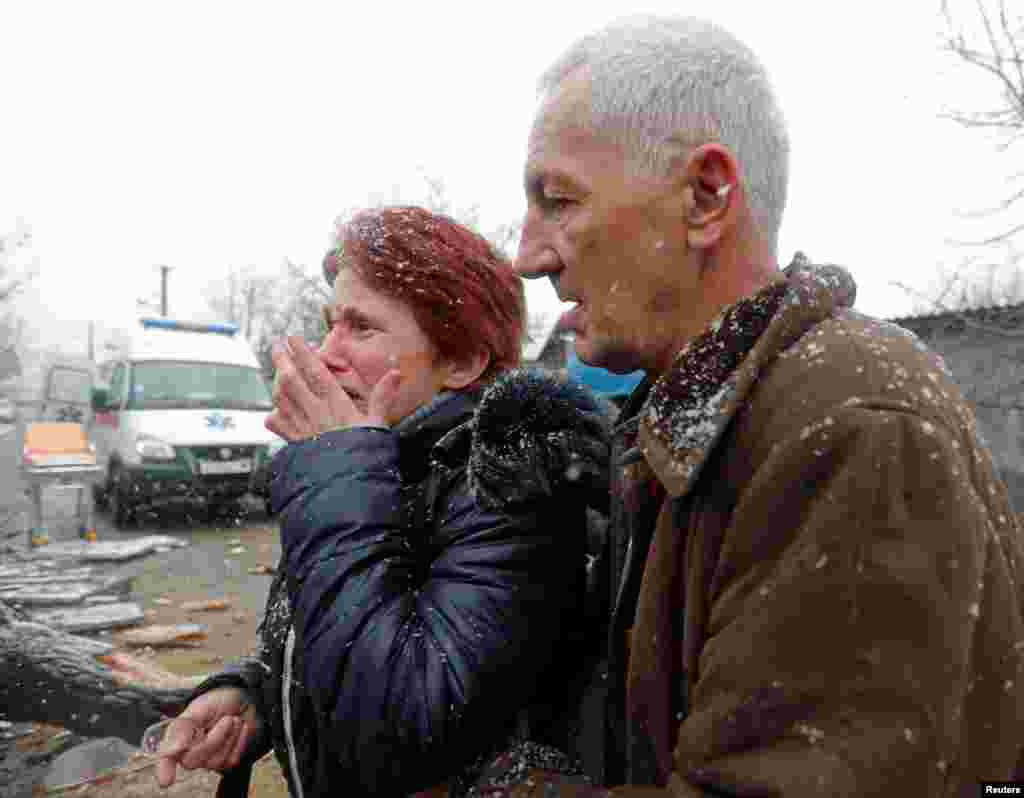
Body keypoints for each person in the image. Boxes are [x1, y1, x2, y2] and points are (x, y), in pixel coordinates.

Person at [471, 14, 1024, 797]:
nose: (527, 255)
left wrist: (483, 784)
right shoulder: (700, 419)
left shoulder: (848, 428)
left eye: (557, 200)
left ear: (705, 197)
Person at [153, 206, 612, 797]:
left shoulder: (509, 486)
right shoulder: (371, 467)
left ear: (461, 362)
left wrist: (336, 476)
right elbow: (339, 632)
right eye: (330, 324)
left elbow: (404, 724)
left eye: (361, 328)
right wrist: (258, 694)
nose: (325, 354)